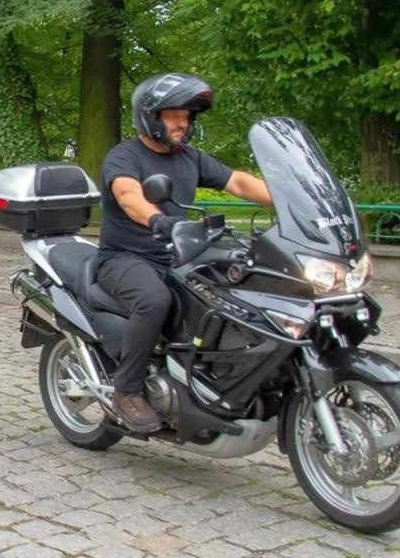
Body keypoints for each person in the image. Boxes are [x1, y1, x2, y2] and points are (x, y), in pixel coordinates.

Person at [95, 73, 271, 433]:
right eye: (174, 114)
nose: (183, 122)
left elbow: (239, 181)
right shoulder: (124, 156)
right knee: (154, 300)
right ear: (150, 116)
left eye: (188, 115)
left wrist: (290, 198)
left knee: (236, 288)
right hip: (126, 257)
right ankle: (126, 390)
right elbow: (129, 195)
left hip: (180, 256)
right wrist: (158, 220)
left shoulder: (190, 158)